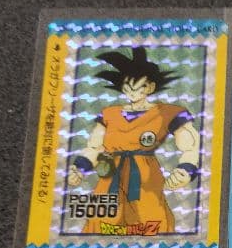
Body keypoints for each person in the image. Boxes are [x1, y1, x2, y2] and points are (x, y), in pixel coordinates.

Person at [67, 45, 200, 235]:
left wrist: (186, 170)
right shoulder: (110, 114)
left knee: (152, 221)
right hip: (110, 176)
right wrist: (79, 168)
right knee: (101, 225)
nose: (132, 91)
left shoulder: (164, 112)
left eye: (139, 86)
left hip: (145, 179)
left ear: (150, 87)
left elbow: (190, 146)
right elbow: (94, 147)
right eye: (128, 86)